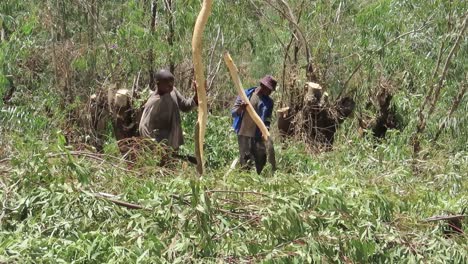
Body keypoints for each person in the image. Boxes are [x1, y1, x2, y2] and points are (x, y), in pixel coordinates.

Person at [139, 69, 198, 150]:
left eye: (172, 82)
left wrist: (197, 96)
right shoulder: (154, 102)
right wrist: (154, 147)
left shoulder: (173, 91)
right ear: (158, 83)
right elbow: (143, 127)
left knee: (174, 162)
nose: (171, 85)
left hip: (174, 143)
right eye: (168, 83)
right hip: (161, 147)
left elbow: (185, 106)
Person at [231, 75, 277, 174]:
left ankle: (260, 178)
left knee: (261, 158)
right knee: (246, 160)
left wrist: (266, 128)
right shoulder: (245, 94)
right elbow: (233, 113)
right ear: (262, 86)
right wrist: (241, 108)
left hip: (257, 135)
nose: (270, 92)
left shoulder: (268, 102)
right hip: (243, 133)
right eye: (269, 89)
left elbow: (268, 118)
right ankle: (244, 180)